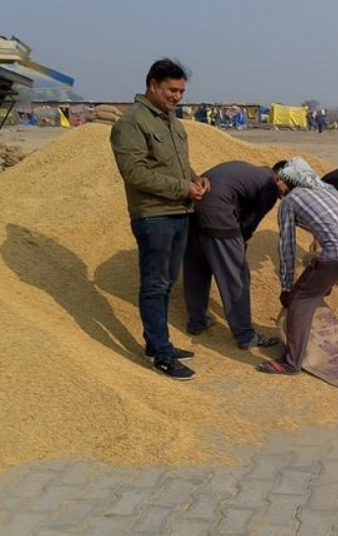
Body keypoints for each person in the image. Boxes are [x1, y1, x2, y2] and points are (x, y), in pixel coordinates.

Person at [110, 58, 211, 380]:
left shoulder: (172, 122)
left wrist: (197, 180)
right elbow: (135, 173)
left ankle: (159, 344)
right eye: (172, 90)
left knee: (167, 283)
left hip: (180, 211)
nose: (177, 97)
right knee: (154, 285)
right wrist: (183, 187)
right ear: (152, 85)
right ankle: (160, 354)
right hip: (154, 217)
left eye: (181, 91)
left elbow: (179, 165)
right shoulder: (132, 123)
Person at [256, 159, 338, 375]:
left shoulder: (290, 201)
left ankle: (291, 362)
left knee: (300, 300)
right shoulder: (328, 189)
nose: (277, 186)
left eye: (278, 181)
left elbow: (287, 247)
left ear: (289, 179)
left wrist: (287, 288)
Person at [183, 160, 285, 350]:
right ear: (279, 176)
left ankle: (197, 321)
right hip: (218, 215)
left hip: (194, 209)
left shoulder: (250, 171)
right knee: (236, 277)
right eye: (288, 187)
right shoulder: (268, 185)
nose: (283, 196)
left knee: (197, 268)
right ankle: (245, 335)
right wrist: (240, 243)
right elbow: (251, 221)